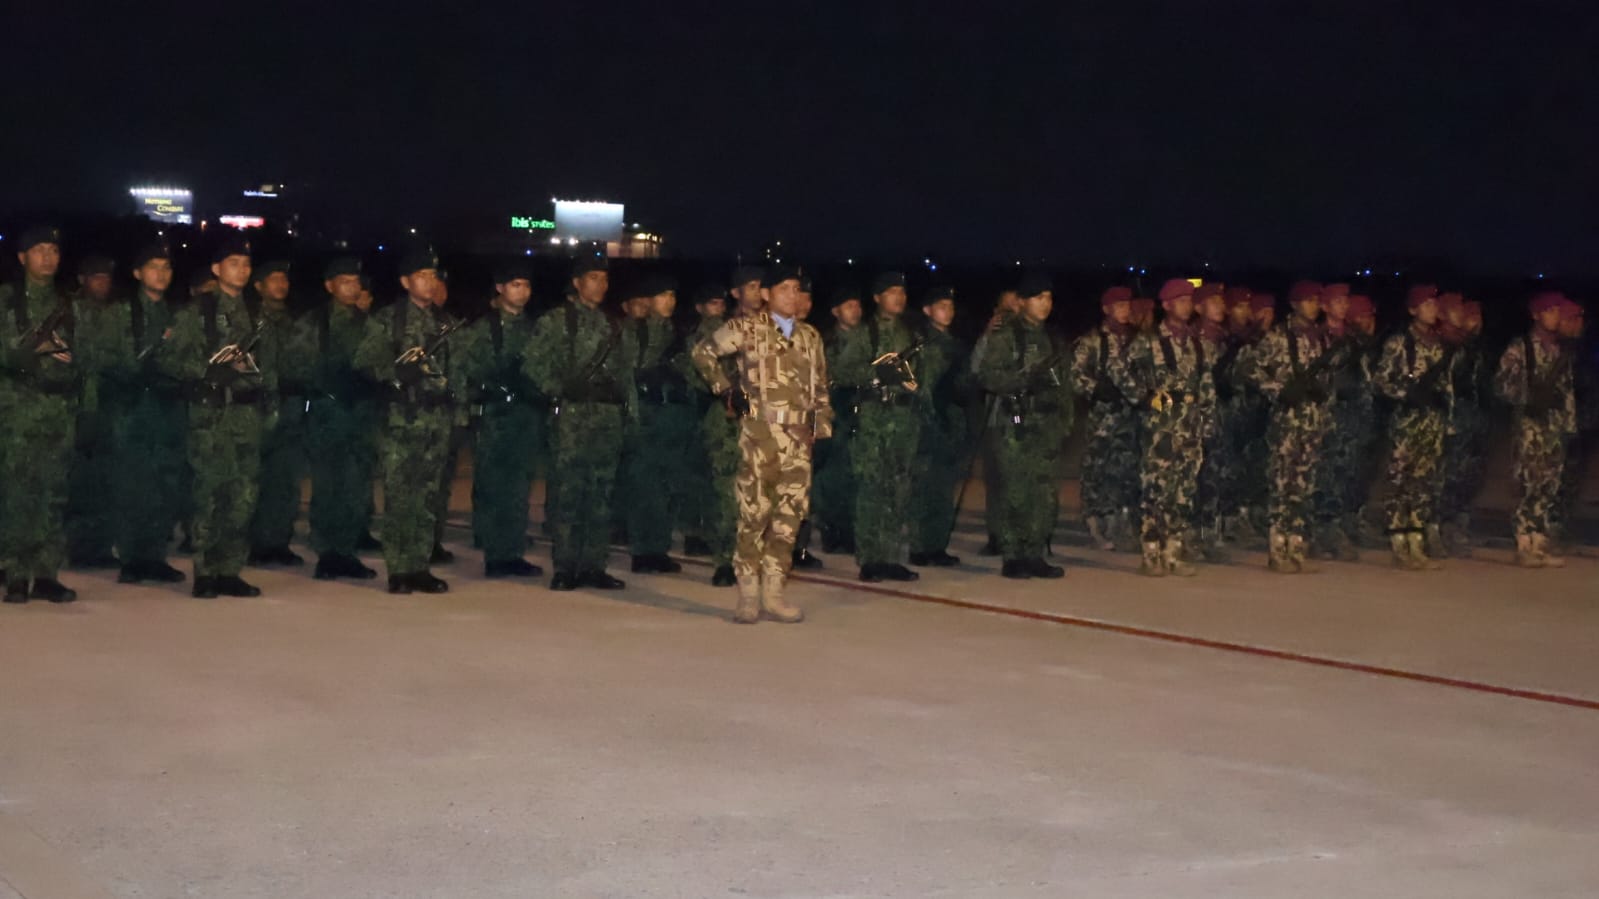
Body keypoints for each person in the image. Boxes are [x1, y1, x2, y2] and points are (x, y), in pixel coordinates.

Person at [691, 265, 832, 623]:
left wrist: (820, 428)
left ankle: (774, 592)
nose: (793, 295)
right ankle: (749, 593)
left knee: (789, 519)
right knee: (754, 515)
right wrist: (726, 390)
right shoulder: (747, 328)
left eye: (797, 289)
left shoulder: (810, 336)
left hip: (798, 439)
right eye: (784, 288)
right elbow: (703, 353)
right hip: (761, 435)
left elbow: (820, 388)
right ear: (767, 294)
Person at [156, 234, 274, 598]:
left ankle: (229, 570)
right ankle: (206, 571)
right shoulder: (198, 311)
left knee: (243, 496)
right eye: (233, 263)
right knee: (210, 493)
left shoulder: (258, 312)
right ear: (216, 269)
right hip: (211, 413)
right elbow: (167, 359)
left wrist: (270, 409)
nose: (242, 270)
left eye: (246, 264)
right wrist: (207, 370)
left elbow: (270, 367)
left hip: (247, 414)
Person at [523, 255, 637, 591]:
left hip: (607, 418)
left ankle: (594, 566)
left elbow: (626, 377)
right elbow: (532, 365)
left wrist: (631, 419)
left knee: (601, 495)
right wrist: (559, 388)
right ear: (577, 282)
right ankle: (565, 566)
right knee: (568, 493)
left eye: (604, 278)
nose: (601, 285)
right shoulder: (556, 320)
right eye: (593, 278)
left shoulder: (613, 325)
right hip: (572, 418)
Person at [353, 249, 461, 594]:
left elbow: (460, 371)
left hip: (436, 418)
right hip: (401, 417)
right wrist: (395, 373)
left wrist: (457, 411)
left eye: (433, 276)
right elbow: (365, 360)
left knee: (428, 497)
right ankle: (399, 569)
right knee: (400, 494)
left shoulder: (446, 322)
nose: (429, 282)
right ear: (405, 282)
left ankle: (420, 566)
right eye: (421, 276)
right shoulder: (389, 319)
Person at [87, 241, 189, 585]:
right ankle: (132, 557)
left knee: (166, 483)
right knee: (132, 484)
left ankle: (155, 555)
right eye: (153, 267)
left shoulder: (179, 315)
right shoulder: (119, 313)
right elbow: (100, 356)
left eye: (166, 267)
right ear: (137, 273)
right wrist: (134, 368)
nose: (161, 273)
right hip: (130, 408)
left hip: (167, 407)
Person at [0, 226, 80, 603]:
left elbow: (89, 356)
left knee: (54, 493)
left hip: (59, 409)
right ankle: (16, 572)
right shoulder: (7, 299)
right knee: (18, 492)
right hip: (18, 408)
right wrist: (25, 352)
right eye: (38, 250)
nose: (48, 257)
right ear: (22, 257)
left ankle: (47, 573)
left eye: (53, 250)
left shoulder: (69, 303)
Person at [975, 272, 1073, 578]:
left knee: (1044, 493)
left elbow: (1065, 385)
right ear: (1023, 302)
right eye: (1038, 298)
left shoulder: (1052, 337)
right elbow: (988, 376)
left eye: (1049, 298)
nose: (1045, 304)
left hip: (1047, 426)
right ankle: (1014, 555)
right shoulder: (1007, 335)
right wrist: (1024, 380)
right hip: (1016, 425)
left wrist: (1065, 421)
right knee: (1016, 491)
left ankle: (1034, 553)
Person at [1115, 278, 1213, 577]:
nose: (1187, 306)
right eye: (1181, 301)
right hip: (1161, 426)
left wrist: (1207, 420)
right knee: (1156, 490)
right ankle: (1151, 553)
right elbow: (1119, 369)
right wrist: (1143, 398)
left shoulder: (1197, 343)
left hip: (1190, 426)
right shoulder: (1150, 341)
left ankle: (1174, 552)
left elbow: (1205, 383)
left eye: (1189, 300)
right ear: (1167, 305)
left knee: (1183, 492)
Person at [833, 272, 923, 582]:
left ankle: (892, 557)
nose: (899, 297)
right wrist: (874, 374)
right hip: (874, 419)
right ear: (877, 298)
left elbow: (920, 378)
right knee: (871, 490)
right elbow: (841, 372)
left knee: (898, 491)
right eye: (891, 291)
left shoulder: (910, 334)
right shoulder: (865, 334)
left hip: (903, 420)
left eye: (902, 291)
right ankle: (871, 559)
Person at [458, 259, 545, 578]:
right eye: (515, 285)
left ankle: (512, 551)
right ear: (500, 288)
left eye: (527, 285)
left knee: (520, 487)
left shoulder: (535, 328)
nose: (523, 292)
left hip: (525, 414)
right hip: (495, 415)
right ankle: (496, 554)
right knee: (496, 485)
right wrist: (489, 386)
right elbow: (465, 368)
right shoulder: (484, 328)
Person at [1245, 280, 1339, 573]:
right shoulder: (1278, 337)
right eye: (1308, 301)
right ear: (1296, 304)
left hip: (1313, 421)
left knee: (1304, 486)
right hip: (1287, 421)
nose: (1314, 306)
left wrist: (1323, 394)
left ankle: (1297, 546)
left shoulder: (1323, 339)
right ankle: (1278, 548)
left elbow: (1330, 377)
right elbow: (1251, 369)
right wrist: (1279, 390)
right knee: (1282, 484)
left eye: (1317, 301)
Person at [302, 257, 379, 581]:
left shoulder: (369, 323)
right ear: (329, 285)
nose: (352, 287)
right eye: (344, 281)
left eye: (355, 281)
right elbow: (296, 364)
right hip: (328, 412)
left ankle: (346, 551)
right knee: (328, 486)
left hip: (360, 413)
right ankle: (327, 554)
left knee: (356, 486)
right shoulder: (315, 322)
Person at [692, 266, 765, 587]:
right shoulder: (725, 328)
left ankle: (754, 557)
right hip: (728, 419)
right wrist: (724, 389)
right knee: (726, 491)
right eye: (751, 286)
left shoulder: (776, 327)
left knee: (761, 492)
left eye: (761, 286)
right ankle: (724, 559)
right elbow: (701, 356)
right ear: (736, 293)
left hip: (765, 421)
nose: (758, 292)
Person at [1494, 291, 1578, 567]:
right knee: (1528, 482)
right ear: (1536, 315)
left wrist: (1568, 424)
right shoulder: (1521, 347)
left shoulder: (1560, 350)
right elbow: (1501, 384)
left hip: (1553, 425)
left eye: (1557, 311)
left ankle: (1540, 542)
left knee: (1549, 484)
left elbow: (1566, 390)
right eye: (1550, 311)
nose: (1555, 317)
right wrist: (1527, 398)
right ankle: (1523, 542)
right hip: (1529, 425)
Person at [1373, 285, 1453, 570]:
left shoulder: (1440, 343)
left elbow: (1447, 385)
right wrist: (1404, 394)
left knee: (1423, 484)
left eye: (1435, 304)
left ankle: (1417, 541)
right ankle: (1399, 542)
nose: (1433, 310)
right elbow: (1381, 380)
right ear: (1412, 310)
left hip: (1432, 423)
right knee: (1399, 482)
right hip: (1406, 423)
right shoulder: (1399, 343)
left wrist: (1445, 411)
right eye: (1427, 305)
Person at [625, 273, 698, 575]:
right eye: (662, 295)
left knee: (670, 485)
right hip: (648, 414)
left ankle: (659, 547)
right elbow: (627, 372)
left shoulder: (679, 333)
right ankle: (643, 550)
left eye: (672, 295)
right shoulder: (635, 331)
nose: (669, 301)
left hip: (674, 416)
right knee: (646, 486)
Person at [1070, 286, 1141, 551]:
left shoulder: (1136, 339)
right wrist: (1096, 389)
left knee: (1125, 469)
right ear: (1106, 309)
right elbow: (1074, 375)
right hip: (1102, 418)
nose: (1124, 310)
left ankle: (1120, 520)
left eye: (1127, 305)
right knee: (1096, 470)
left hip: (1129, 416)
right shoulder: (1092, 341)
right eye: (1119, 306)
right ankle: (1094, 521)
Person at [248, 259, 309, 567]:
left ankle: (279, 541)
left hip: (291, 404)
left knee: (286, 478)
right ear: (258, 286)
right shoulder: (249, 321)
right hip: (259, 406)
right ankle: (256, 542)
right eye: (273, 279)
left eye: (284, 279)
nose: (281, 284)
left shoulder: (295, 322)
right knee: (256, 476)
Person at [908, 285, 970, 567]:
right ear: (927, 310)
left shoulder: (954, 344)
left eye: (951, 306)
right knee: (923, 489)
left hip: (951, 423)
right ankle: (920, 547)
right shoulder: (920, 343)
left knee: (944, 489)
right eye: (941, 306)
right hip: (928, 423)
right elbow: (920, 386)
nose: (948, 311)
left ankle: (937, 545)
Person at [65, 254, 120, 569]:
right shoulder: (68, 312)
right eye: (96, 276)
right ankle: (78, 547)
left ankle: (99, 547)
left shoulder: (115, 313)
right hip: (77, 406)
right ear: (82, 279)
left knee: (105, 480)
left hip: (109, 406)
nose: (103, 282)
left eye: (106, 276)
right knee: (79, 482)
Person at [970, 289, 1022, 555]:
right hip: (996, 417)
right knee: (996, 480)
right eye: (1006, 308)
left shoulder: (1030, 337)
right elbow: (976, 368)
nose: (1012, 314)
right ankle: (997, 534)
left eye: (1017, 307)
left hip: (1022, 417)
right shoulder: (992, 338)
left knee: (1021, 478)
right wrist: (988, 335)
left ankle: (1022, 533)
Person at [1437, 293, 1489, 557]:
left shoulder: (1472, 347)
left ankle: (1460, 525)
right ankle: (1444, 527)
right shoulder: (1447, 345)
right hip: (1454, 417)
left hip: (1473, 418)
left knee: (1470, 475)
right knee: (1451, 475)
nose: (1473, 320)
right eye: (1467, 313)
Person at [813, 285, 863, 555]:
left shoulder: (867, 339)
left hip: (862, 416)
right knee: (832, 479)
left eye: (857, 305)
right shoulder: (826, 343)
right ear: (836, 311)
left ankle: (852, 530)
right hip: (836, 414)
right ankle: (832, 531)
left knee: (856, 477)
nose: (856, 310)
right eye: (849, 306)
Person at [679, 284, 726, 558]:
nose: (718, 309)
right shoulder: (697, 338)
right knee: (697, 475)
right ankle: (694, 533)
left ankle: (708, 531)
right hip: (701, 408)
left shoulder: (728, 333)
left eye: (720, 303)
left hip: (719, 409)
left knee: (715, 477)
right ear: (700, 308)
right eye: (712, 304)